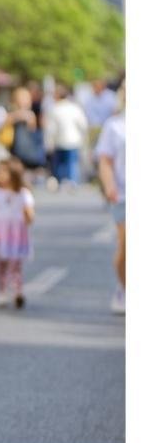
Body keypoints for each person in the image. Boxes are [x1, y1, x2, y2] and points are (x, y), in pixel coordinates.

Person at [0, 158, 35, 309]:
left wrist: (27, 214)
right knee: (1, 265)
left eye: (3, 171)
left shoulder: (23, 194)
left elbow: (30, 217)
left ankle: (18, 291)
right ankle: (2, 291)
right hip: (0, 233)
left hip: (16, 235)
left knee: (15, 265)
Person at [94, 82, 125, 315]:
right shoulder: (115, 125)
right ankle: (124, 287)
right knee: (126, 248)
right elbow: (105, 160)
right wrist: (109, 186)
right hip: (124, 195)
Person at [44, 83, 88, 190]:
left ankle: (59, 182)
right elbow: (83, 125)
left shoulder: (54, 109)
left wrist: (49, 143)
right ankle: (72, 182)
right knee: (72, 163)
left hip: (59, 141)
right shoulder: (75, 108)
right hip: (74, 140)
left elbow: (50, 129)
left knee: (58, 163)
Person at [2, 86, 46, 178]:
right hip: (15, 145)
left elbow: (33, 128)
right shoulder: (11, 112)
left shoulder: (30, 113)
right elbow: (5, 123)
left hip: (26, 146)